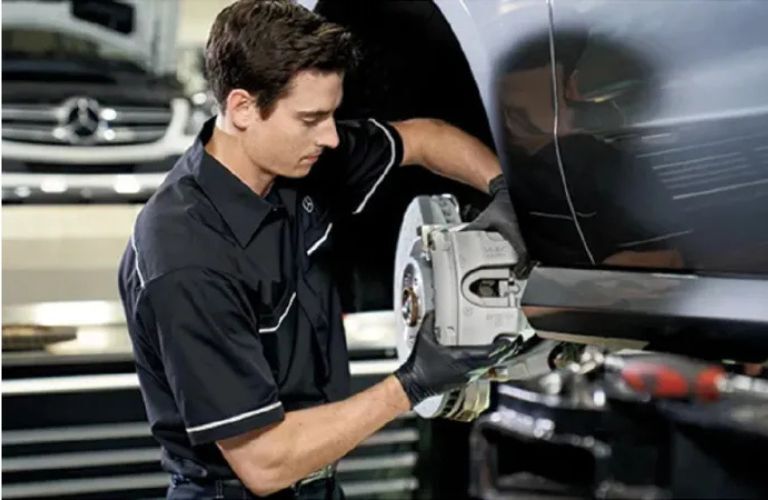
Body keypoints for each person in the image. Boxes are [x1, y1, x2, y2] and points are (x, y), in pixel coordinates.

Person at [118, 1, 528, 498]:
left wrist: (504, 192)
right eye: (311, 118)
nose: (331, 136)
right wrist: (414, 382)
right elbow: (264, 465)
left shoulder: (302, 161)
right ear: (243, 107)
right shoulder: (186, 256)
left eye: (332, 114)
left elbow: (424, 138)